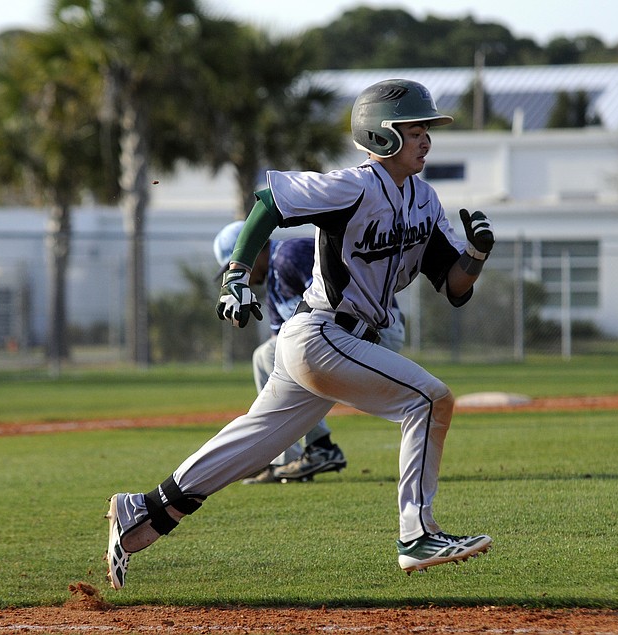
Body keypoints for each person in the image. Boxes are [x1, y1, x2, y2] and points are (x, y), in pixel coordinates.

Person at [106, 78, 495, 589]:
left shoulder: (424, 200)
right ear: (382, 136)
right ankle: (416, 533)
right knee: (429, 401)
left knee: (253, 447)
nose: (426, 138)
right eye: (415, 127)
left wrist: (478, 254)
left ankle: (141, 512)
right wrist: (236, 274)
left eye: (427, 128)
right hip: (321, 333)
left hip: (334, 343)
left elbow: (453, 285)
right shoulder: (354, 185)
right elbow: (270, 201)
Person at [213, 222, 407, 484]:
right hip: (344, 336)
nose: (237, 271)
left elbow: (335, 300)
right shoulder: (273, 288)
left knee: (272, 353)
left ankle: (317, 448)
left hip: (374, 329)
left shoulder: (289, 254)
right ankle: (291, 456)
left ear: (256, 249)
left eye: (238, 262)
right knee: (272, 354)